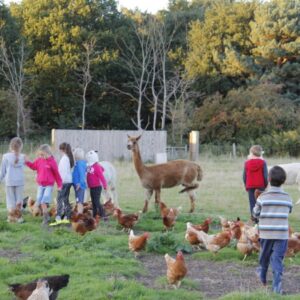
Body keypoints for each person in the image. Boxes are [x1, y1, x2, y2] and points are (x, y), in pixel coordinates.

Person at [253, 166, 293, 294]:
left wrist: (259, 216)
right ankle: (277, 287)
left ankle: (262, 278)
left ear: (268, 179)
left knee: (264, 257)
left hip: (265, 234)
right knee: (277, 260)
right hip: (281, 235)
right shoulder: (288, 197)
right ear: (284, 181)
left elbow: (255, 213)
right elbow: (289, 211)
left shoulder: (263, 197)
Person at [26, 144, 62, 225]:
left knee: (43, 201)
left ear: (47, 153)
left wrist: (60, 185)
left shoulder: (52, 162)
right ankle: (45, 215)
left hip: (49, 185)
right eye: (40, 154)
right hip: (40, 185)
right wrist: (27, 162)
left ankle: (46, 218)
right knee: (39, 200)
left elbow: (57, 174)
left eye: (42, 154)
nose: (40, 156)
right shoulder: (39, 160)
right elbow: (33, 166)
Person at [0, 137, 25, 222]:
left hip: (9, 181)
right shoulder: (23, 157)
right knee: (19, 200)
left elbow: (2, 171)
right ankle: (19, 218)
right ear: (21, 146)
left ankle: (11, 217)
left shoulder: (5, 157)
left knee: (10, 200)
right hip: (20, 181)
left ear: (10, 146)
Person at [243, 145, 268, 222]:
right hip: (260, 185)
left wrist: (246, 184)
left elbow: (244, 176)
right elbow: (265, 175)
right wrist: (266, 185)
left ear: (251, 153)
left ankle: (254, 220)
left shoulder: (246, 163)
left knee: (252, 203)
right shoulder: (263, 162)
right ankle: (262, 219)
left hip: (250, 185)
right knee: (261, 202)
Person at [52, 142, 74, 224]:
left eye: (60, 149)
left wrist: (60, 184)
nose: (60, 151)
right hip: (68, 181)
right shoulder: (69, 157)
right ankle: (67, 215)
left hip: (64, 181)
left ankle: (58, 216)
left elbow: (63, 172)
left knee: (60, 199)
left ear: (63, 150)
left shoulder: (65, 159)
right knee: (65, 199)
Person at [86, 150, 107, 219]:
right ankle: (94, 215)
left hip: (97, 187)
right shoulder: (89, 165)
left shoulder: (97, 166)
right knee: (93, 202)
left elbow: (102, 176)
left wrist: (105, 185)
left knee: (97, 202)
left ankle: (103, 215)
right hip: (91, 187)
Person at [72, 148, 87, 214]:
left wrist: (79, 184)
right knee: (78, 200)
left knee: (79, 201)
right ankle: (79, 212)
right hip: (77, 184)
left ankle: (80, 213)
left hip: (79, 185)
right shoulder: (78, 163)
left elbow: (82, 175)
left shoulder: (80, 164)